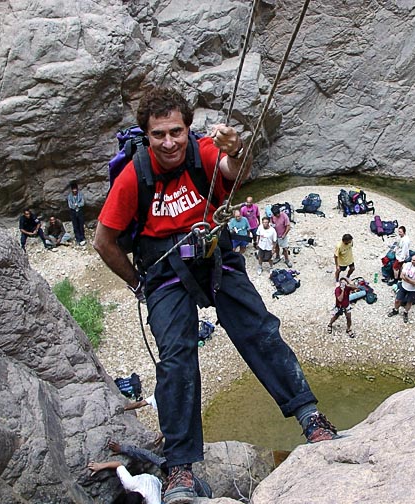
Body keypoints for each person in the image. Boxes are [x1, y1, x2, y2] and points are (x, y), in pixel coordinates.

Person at [93, 86, 337, 504]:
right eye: (158, 135)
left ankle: (310, 416)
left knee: (258, 329)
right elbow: (103, 240)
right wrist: (138, 283)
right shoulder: (135, 175)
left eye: (176, 132)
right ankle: (180, 467)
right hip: (164, 269)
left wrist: (238, 149)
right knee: (176, 357)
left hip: (211, 254)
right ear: (146, 136)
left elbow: (231, 173)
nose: (168, 142)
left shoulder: (201, 152)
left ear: (188, 129)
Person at [87, 459, 162, 504]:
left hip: (156, 482)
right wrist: (100, 466)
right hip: (142, 479)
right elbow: (118, 464)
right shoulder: (129, 483)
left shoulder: (154, 501)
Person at [387, 253, 415, 323]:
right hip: (403, 286)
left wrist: (406, 278)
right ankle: (395, 310)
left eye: (414, 260)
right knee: (397, 300)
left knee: (409, 302)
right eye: (412, 260)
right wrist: (411, 281)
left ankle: (406, 312)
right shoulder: (407, 265)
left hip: (412, 290)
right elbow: (401, 276)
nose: (412, 261)